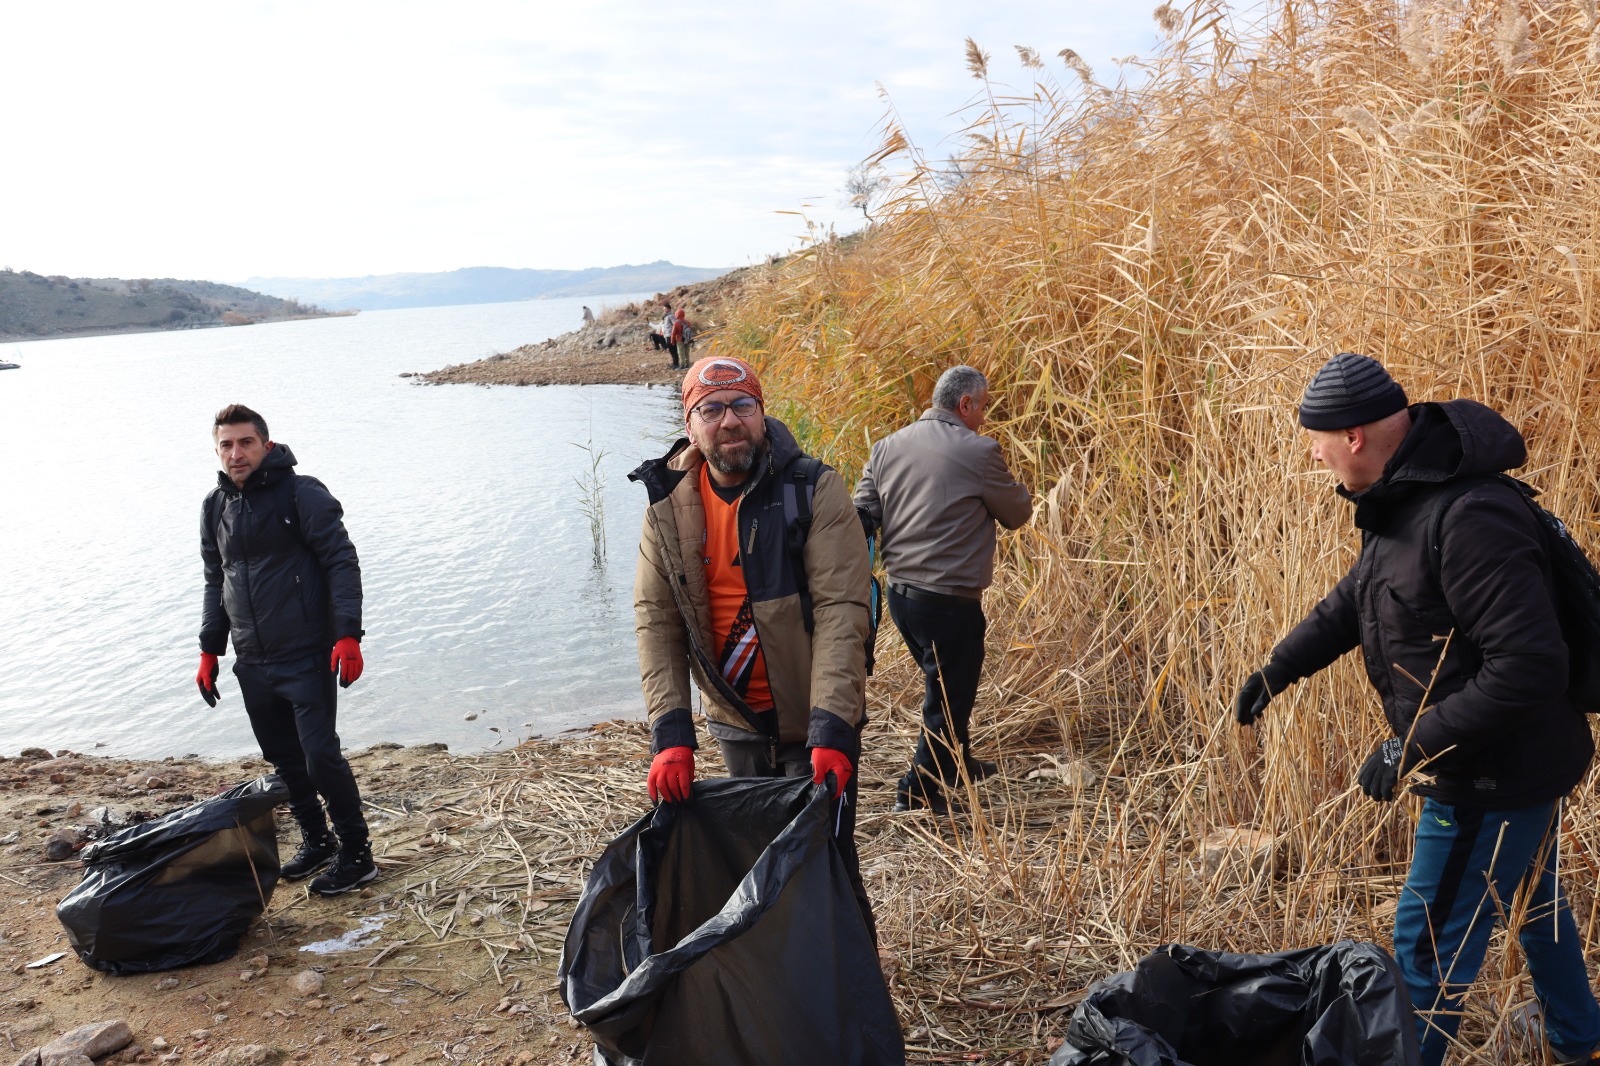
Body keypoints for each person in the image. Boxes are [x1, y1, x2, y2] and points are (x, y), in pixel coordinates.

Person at [1235, 353, 1600, 1066]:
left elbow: (1528, 667)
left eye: (1318, 438)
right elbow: (1358, 599)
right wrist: (1280, 667)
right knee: (1536, 907)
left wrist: (1414, 744)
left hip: (1491, 776)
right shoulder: (1406, 498)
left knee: (1427, 941)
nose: (1313, 452)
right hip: (1514, 768)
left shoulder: (1469, 518)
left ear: (1357, 436)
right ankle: (1580, 1041)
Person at [630, 355, 876, 938]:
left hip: (811, 724)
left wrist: (832, 728)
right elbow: (655, 620)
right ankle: (777, 995)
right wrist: (671, 735)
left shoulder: (815, 489)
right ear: (690, 426)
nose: (729, 421)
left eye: (742, 405)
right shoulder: (666, 506)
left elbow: (845, 610)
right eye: (710, 410)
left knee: (828, 870)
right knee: (758, 874)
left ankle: (846, 995)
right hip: (735, 725)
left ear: (763, 416)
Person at [196, 404, 377, 896]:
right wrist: (210, 650)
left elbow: (342, 562)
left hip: (306, 653)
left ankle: (357, 854)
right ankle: (317, 842)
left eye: (246, 443)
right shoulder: (215, 506)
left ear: (266, 444)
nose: (237, 453)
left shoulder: (302, 493)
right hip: (251, 658)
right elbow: (217, 581)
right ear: (218, 450)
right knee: (284, 758)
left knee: (320, 756)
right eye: (227, 445)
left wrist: (347, 634)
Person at [853, 365, 1033, 814]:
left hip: (900, 600)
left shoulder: (886, 447)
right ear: (964, 404)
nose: (984, 418)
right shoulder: (978, 451)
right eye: (983, 407)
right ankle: (916, 791)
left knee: (950, 687)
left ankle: (957, 763)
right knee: (948, 699)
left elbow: (861, 515)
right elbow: (1017, 513)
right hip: (950, 603)